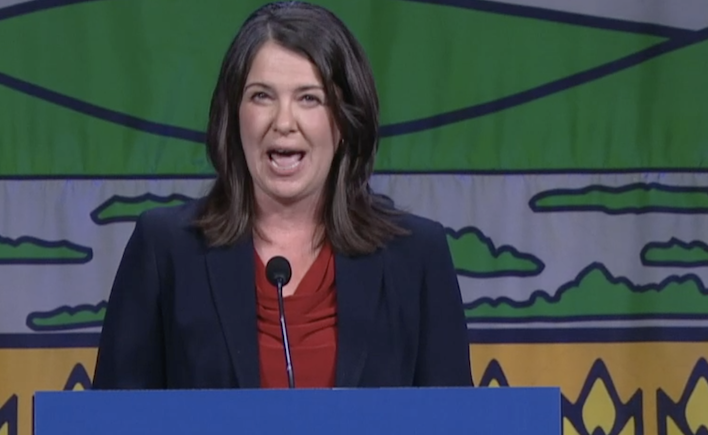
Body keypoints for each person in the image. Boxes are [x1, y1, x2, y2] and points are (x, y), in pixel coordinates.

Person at [92, 1, 472, 390]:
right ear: (234, 115)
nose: (284, 122)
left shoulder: (415, 256)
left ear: (344, 121)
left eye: (309, 98)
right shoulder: (166, 250)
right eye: (262, 96)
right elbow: (112, 434)